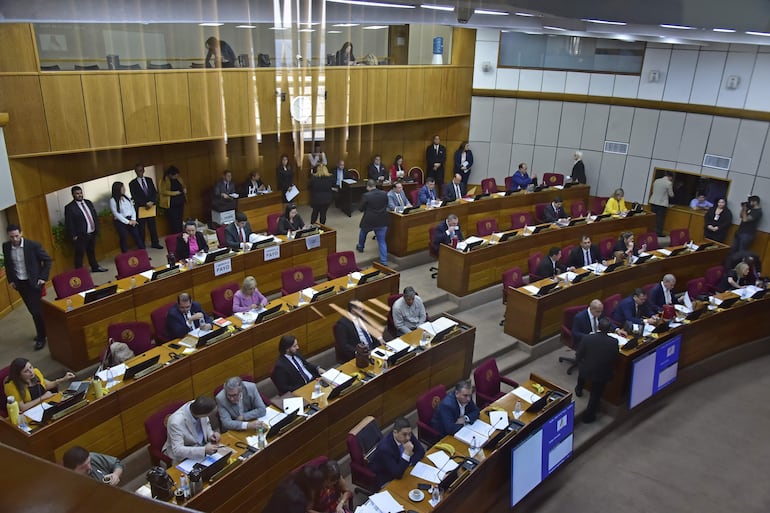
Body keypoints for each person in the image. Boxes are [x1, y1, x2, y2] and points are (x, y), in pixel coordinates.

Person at [3, 224, 52, 350]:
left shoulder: (32, 245)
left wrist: (42, 277)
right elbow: (8, 265)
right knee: (34, 310)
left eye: (16, 235)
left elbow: (47, 260)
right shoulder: (6, 246)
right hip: (20, 284)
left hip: (34, 283)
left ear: (21, 233)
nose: (14, 239)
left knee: (36, 311)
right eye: (11, 237)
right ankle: (46, 331)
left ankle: (41, 337)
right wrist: (11, 280)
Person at [575, 318, 619, 424]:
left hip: (586, 369)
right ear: (609, 330)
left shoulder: (587, 338)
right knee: (595, 394)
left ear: (598, 327)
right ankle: (588, 417)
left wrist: (579, 363)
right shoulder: (613, 342)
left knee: (583, 371)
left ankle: (579, 389)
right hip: (601, 373)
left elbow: (579, 354)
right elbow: (615, 358)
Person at [162, 396, 221, 465]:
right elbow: (177, 450)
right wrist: (203, 450)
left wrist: (211, 435)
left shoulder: (197, 405)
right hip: (183, 455)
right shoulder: (176, 422)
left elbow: (206, 425)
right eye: (208, 415)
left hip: (203, 447)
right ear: (202, 414)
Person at [369, 417, 425, 489]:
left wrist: (409, 463)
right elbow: (397, 474)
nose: (408, 438)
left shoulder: (406, 435)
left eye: (410, 434)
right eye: (404, 434)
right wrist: (407, 454)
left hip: (400, 467)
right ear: (395, 432)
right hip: (386, 476)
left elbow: (421, 451)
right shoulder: (385, 448)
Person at [4, 357, 75, 412]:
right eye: (26, 371)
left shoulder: (36, 372)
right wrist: (43, 397)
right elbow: (23, 408)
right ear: (19, 375)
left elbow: (45, 386)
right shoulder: (11, 386)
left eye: (30, 367)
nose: (31, 371)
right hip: (31, 412)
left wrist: (63, 379)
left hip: (46, 404)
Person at [64, 185, 107, 272]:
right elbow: (69, 223)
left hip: (92, 232)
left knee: (91, 251)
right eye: (77, 194)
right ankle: (79, 272)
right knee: (79, 254)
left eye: (80, 193)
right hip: (80, 235)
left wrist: (97, 229)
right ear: (73, 195)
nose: (80, 195)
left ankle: (95, 267)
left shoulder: (88, 202)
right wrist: (73, 236)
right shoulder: (70, 207)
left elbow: (94, 216)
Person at [129, 164, 162, 249]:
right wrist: (145, 203)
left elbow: (154, 192)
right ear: (135, 172)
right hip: (141, 208)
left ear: (143, 170)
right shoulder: (132, 183)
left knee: (152, 226)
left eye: (141, 170)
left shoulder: (149, 180)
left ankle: (155, 243)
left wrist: (152, 202)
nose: (140, 172)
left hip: (151, 207)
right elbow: (135, 197)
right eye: (138, 171)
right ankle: (142, 246)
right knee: (141, 229)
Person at [356, 180, 389, 266]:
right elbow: (386, 204)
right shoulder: (384, 193)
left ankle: (360, 247)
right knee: (382, 241)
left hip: (369, 220)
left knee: (363, 232)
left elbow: (360, 208)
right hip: (382, 220)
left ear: (368, 186)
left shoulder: (366, 195)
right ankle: (384, 261)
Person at [109, 181, 144, 253]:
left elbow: (132, 208)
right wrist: (128, 222)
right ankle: (125, 255)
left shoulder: (126, 197)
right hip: (121, 221)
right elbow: (116, 214)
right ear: (117, 189)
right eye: (122, 187)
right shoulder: (113, 200)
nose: (124, 189)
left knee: (137, 236)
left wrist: (133, 219)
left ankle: (143, 253)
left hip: (131, 219)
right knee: (123, 237)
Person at [159, 165, 186, 234]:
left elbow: (183, 186)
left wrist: (184, 189)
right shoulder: (164, 180)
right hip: (171, 204)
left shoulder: (179, 178)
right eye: (175, 176)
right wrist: (175, 193)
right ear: (170, 174)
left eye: (177, 175)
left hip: (180, 202)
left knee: (179, 220)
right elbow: (163, 191)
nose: (176, 177)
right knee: (174, 221)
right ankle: (175, 235)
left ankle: (181, 234)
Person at [649, 172, 674, 237]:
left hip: (653, 201)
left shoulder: (656, 180)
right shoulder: (669, 183)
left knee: (652, 218)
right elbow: (671, 194)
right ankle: (658, 233)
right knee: (660, 219)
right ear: (670, 177)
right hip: (661, 204)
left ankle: (649, 231)